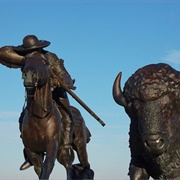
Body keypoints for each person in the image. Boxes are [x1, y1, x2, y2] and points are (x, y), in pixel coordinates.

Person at [0, 35, 76, 170]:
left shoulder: (50, 57)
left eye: (33, 51)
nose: (31, 54)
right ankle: (30, 153)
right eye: (28, 51)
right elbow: (3, 53)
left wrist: (61, 81)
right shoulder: (27, 60)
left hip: (55, 94)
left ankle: (65, 147)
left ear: (39, 48)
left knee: (67, 117)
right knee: (22, 119)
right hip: (35, 97)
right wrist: (24, 57)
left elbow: (66, 77)